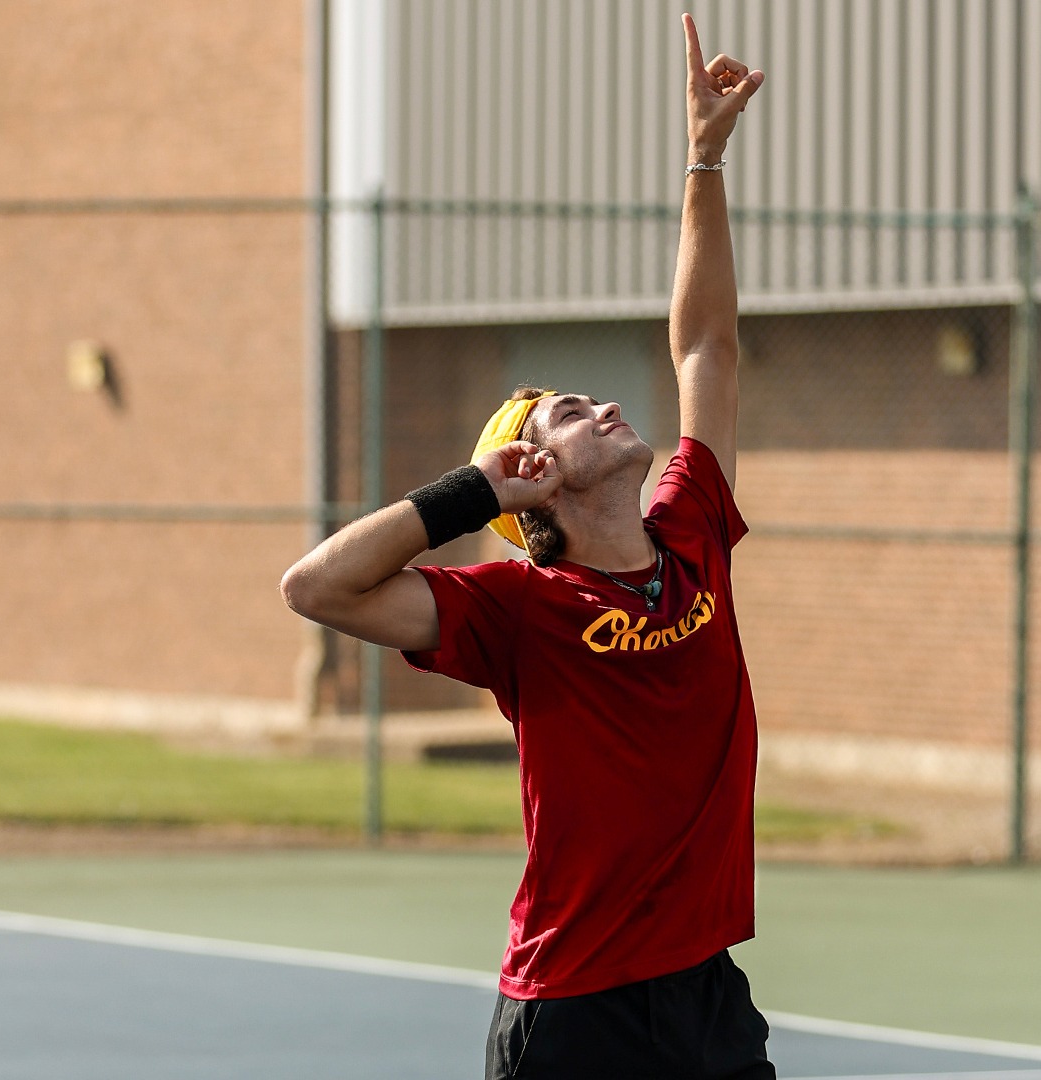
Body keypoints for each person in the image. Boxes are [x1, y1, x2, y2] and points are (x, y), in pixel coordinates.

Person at [280, 15, 769, 1078]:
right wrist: (472, 492)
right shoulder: (520, 611)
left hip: (706, 999)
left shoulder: (693, 532)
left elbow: (706, 347)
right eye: (560, 414)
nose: (595, 402)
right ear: (532, 479)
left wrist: (704, 159)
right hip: (576, 1013)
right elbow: (315, 587)